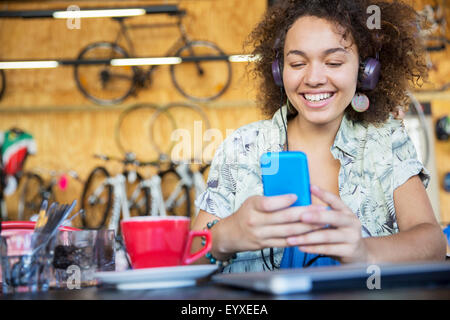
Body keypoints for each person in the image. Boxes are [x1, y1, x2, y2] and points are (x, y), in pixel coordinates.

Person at [191, 0, 447, 272]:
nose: (313, 78)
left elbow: (432, 242)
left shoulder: (385, 141)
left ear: (364, 71)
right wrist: (225, 236)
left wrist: (364, 251)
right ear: (279, 72)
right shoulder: (242, 146)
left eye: (334, 62)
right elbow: (189, 256)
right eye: (298, 63)